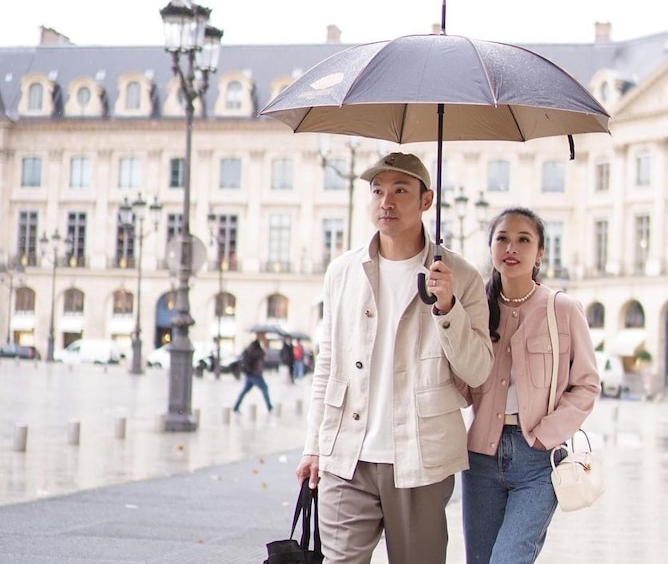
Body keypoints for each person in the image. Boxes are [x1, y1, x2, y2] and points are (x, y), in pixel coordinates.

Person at [295, 152, 493, 564]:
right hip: (345, 454)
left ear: (426, 201)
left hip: (420, 457)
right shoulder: (342, 272)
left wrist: (448, 307)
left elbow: (477, 371)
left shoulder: (463, 276)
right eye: (377, 190)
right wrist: (313, 445)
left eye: (400, 190)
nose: (386, 201)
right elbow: (327, 364)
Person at [459, 206, 601, 564]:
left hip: (538, 460)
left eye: (524, 240)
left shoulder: (563, 309)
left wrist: (545, 435)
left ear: (540, 252)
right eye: (502, 238)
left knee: (509, 558)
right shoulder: (475, 308)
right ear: (490, 248)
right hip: (480, 460)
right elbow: (458, 385)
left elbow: (586, 385)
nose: (512, 247)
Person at [232, 331, 273, 413]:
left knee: (244, 391)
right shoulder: (254, 345)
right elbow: (255, 355)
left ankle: (236, 407)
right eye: (263, 335)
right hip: (254, 373)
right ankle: (270, 407)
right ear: (258, 335)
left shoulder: (257, 345)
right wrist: (263, 350)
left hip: (252, 373)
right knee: (264, 388)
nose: (264, 336)